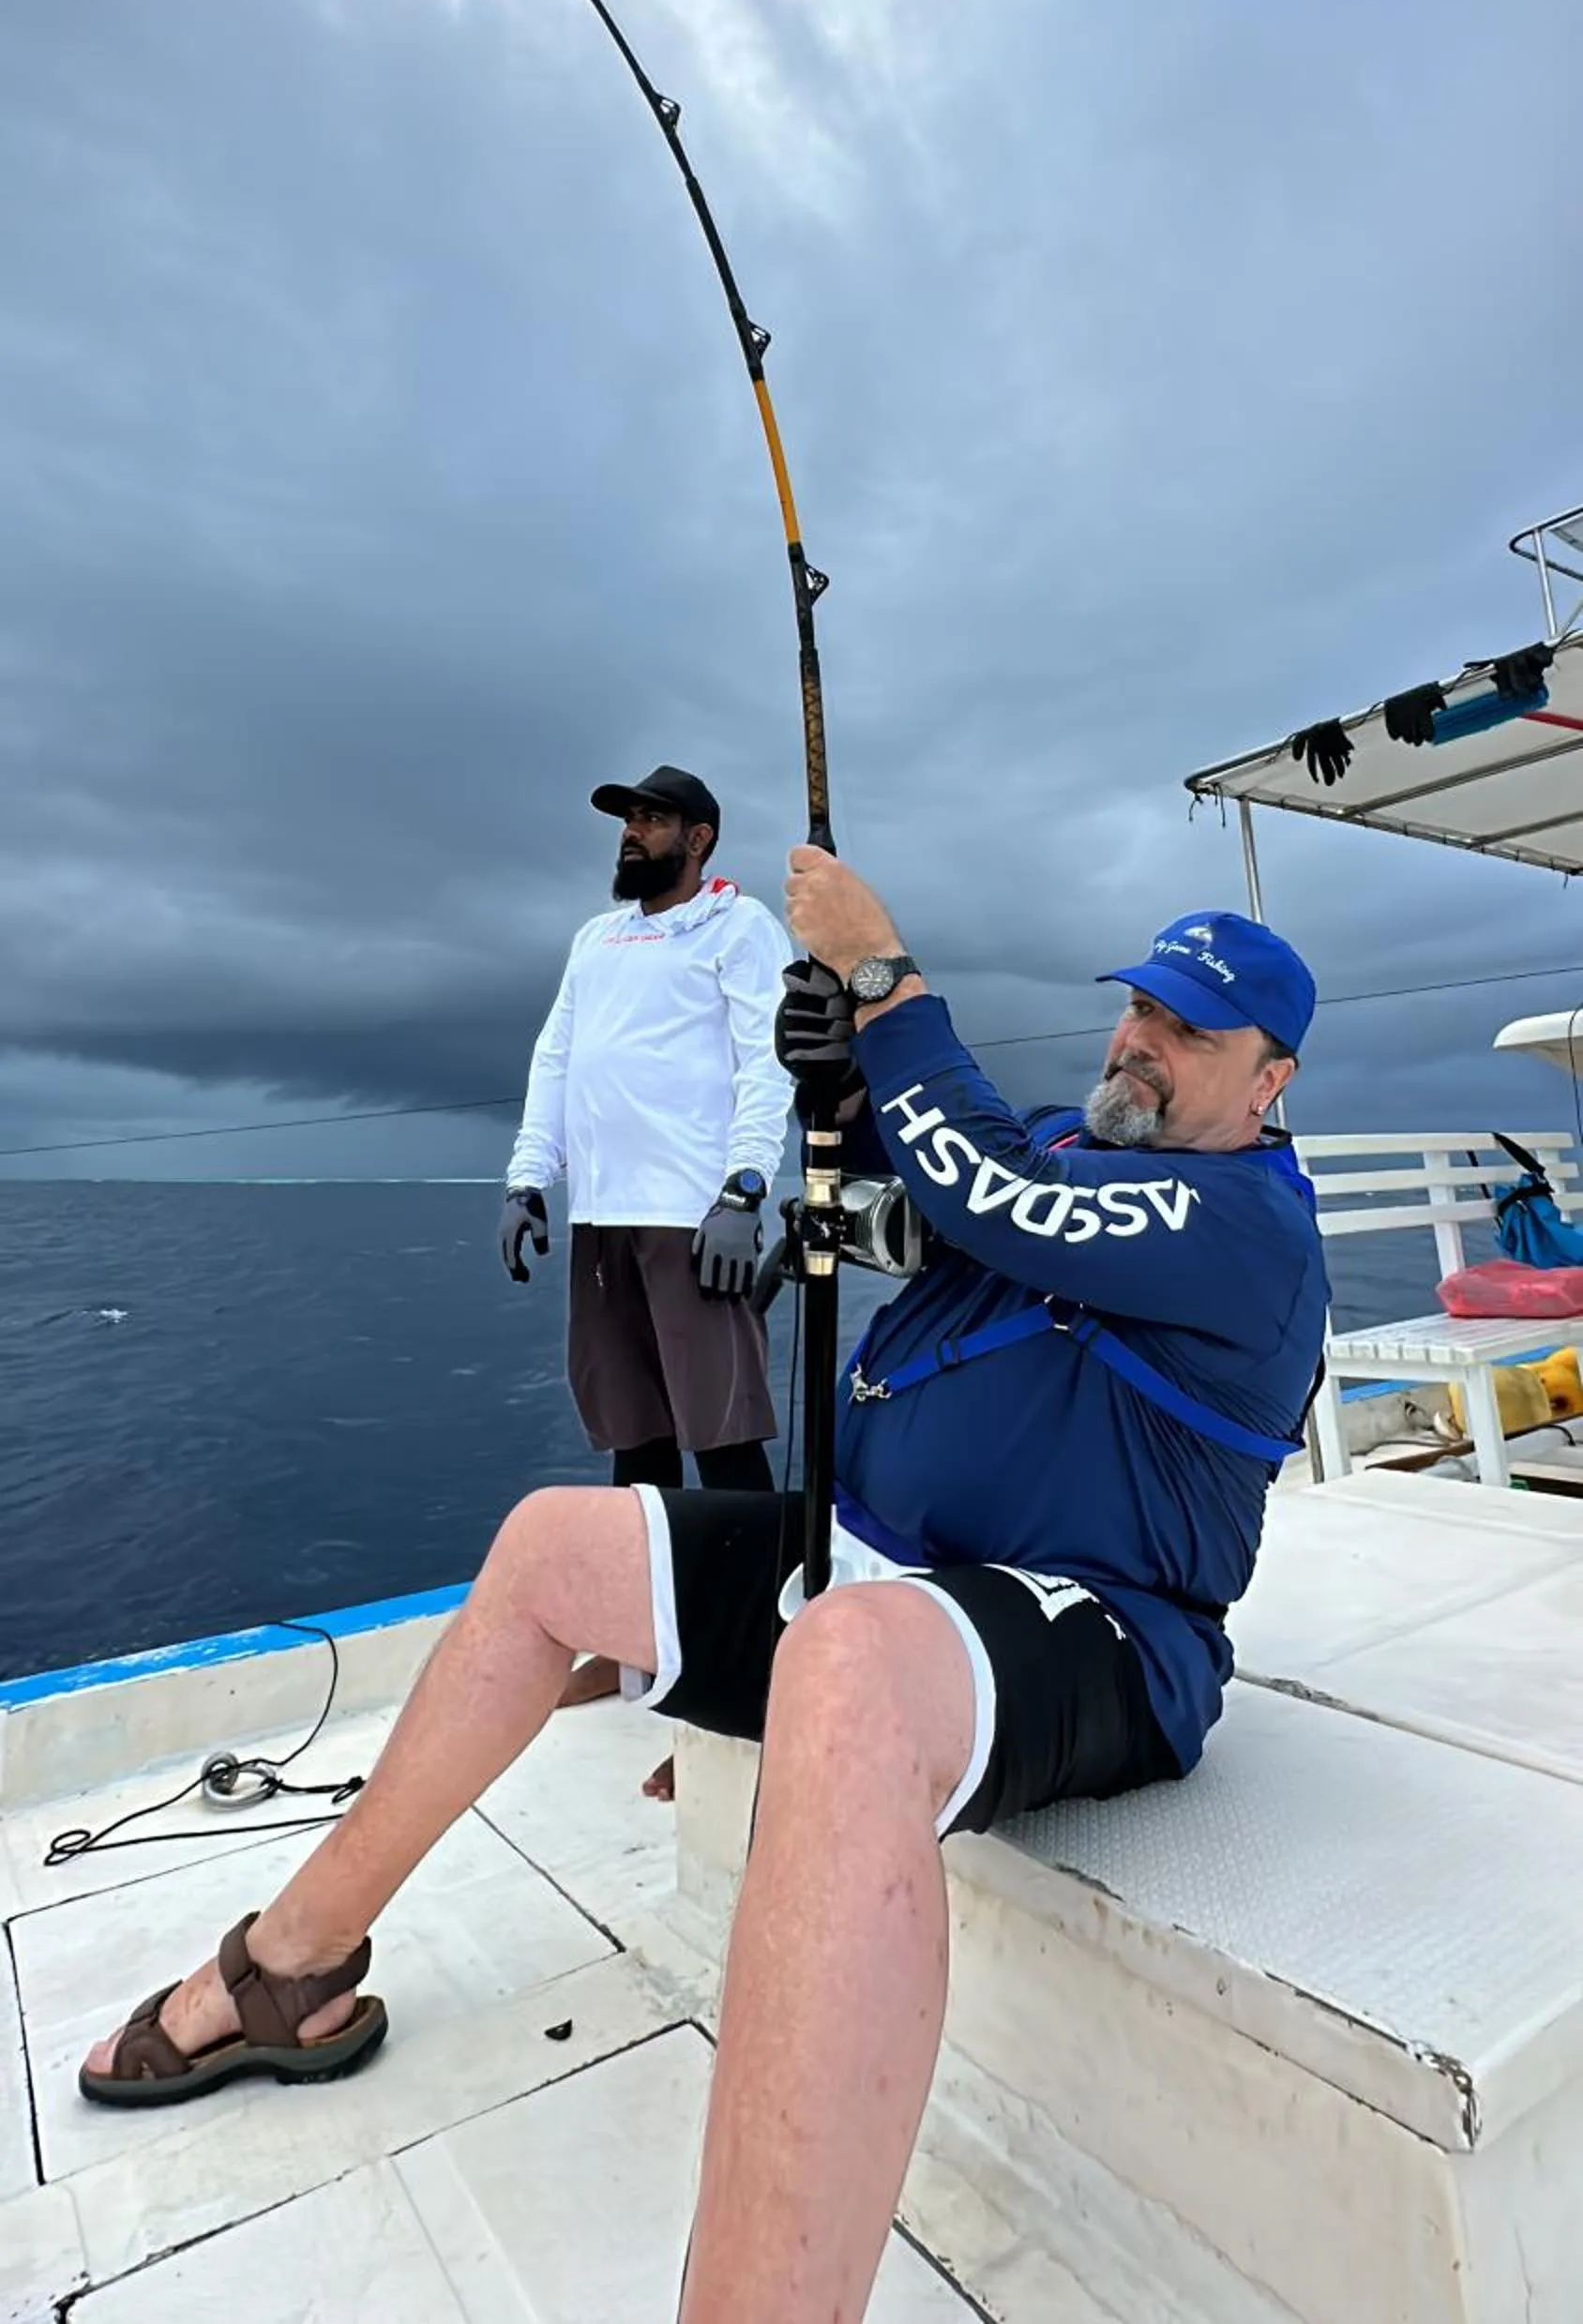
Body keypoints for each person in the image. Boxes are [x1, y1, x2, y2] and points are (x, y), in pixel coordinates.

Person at [80, 852, 1328, 2324]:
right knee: (553, 1541)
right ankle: (294, 1966)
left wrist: (890, 985)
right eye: (1137, 1009)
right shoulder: (1068, 1140)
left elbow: (997, 1198)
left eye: (1189, 1031)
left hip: (1096, 1625)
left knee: (848, 1666)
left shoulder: (1251, 1227)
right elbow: (917, 1171)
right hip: (877, 1565)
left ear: (1270, 1084)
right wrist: (837, 1083)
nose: (1139, 1040)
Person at [498, 765, 793, 1755]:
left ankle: (756, 1655)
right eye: (628, 818)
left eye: (653, 818)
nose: (632, 832)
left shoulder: (738, 926)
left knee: (722, 1438)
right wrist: (527, 1177)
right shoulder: (596, 937)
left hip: (692, 1216)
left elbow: (769, 1058)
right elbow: (556, 1058)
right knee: (634, 1441)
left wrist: (745, 1189)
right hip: (603, 1221)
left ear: (698, 838)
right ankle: (640, 1646)